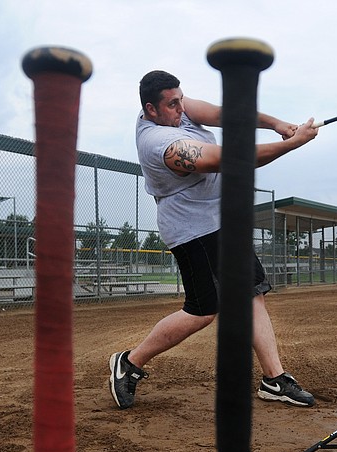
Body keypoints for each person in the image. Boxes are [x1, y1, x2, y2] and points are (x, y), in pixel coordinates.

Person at [108, 70, 319, 409]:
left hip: (223, 222)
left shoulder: (176, 106)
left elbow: (225, 115)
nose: (181, 108)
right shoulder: (157, 143)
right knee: (203, 311)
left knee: (252, 294)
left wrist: (277, 124)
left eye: (181, 99)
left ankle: (274, 379)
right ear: (151, 110)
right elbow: (227, 160)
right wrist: (290, 144)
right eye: (173, 105)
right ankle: (130, 362)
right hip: (192, 231)